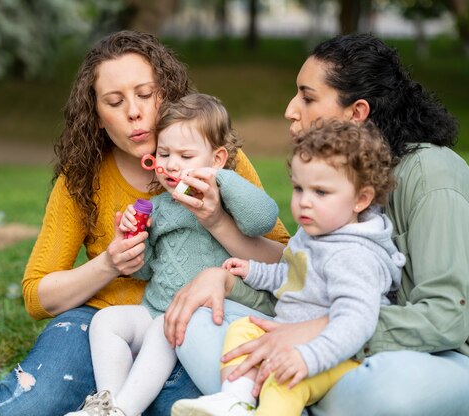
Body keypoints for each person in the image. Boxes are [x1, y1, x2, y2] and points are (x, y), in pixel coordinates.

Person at [0, 31, 290, 416]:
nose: (135, 114)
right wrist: (109, 263)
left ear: (168, 94)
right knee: (21, 409)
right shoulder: (82, 176)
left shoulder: (218, 162)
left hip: (197, 324)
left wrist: (217, 221)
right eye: (116, 102)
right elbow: (36, 293)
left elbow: (288, 264)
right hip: (105, 322)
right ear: (96, 114)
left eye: (146, 94)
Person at [166, 32, 469, 416]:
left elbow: (446, 317)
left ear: (357, 112)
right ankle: (275, 399)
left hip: (448, 359)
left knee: (386, 391)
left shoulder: (432, 176)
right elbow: (307, 282)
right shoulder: (328, 181)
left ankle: (276, 395)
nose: (290, 109)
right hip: (342, 345)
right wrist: (229, 281)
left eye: (307, 96)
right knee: (195, 322)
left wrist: (321, 329)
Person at [172, 119, 405, 416]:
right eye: (299, 188)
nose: (304, 203)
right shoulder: (319, 232)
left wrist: (307, 358)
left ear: (361, 199)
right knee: (244, 329)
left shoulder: (353, 255)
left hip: (339, 355)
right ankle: (235, 400)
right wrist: (255, 271)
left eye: (320, 192)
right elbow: (297, 276)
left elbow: (355, 323)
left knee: (283, 381)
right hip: (292, 332)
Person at [66, 93, 280, 416]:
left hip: (205, 320)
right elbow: (145, 271)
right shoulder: (159, 208)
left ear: (217, 159)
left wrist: (220, 181)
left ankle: (125, 409)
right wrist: (133, 240)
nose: (171, 164)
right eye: (164, 153)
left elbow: (263, 218)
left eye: (185, 155)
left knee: (162, 328)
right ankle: (107, 403)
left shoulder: (227, 199)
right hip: (156, 309)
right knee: (105, 321)